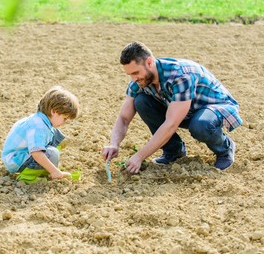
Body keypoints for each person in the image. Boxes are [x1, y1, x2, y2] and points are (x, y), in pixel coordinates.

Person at [102, 41, 242, 173]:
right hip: (186, 111)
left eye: (136, 73)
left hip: (214, 107)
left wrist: (139, 156)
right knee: (141, 101)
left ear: (149, 62)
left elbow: (171, 124)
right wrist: (114, 144)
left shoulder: (180, 75)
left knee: (200, 125)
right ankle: (174, 151)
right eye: (129, 74)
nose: (133, 79)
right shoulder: (139, 82)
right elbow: (124, 118)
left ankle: (225, 149)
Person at [1, 86, 79, 179]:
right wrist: (54, 171)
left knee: (56, 135)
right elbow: (36, 153)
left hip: (22, 154)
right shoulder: (38, 127)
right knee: (51, 153)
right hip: (15, 161)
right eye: (64, 118)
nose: (64, 123)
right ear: (54, 111)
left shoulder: (41, 120)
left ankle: (47, 168)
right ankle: (28, 177)